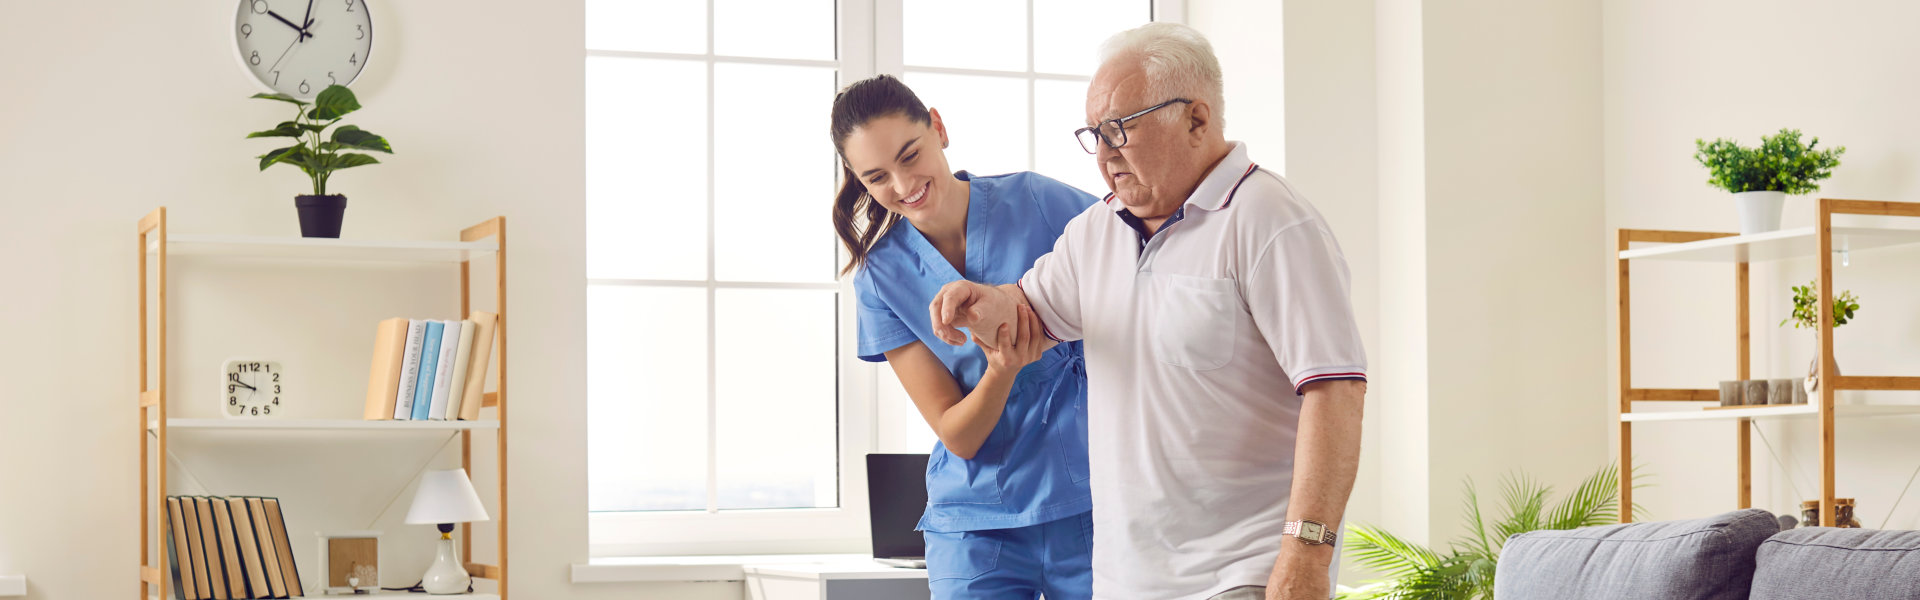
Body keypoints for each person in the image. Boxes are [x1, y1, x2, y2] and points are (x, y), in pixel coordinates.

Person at [925, 23, 1369, 600]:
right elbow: (1027, 320)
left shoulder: (1271, 222)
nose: (1105, 155)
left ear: (1196, 119)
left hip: (1242, 576)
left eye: (1120, 130)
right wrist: (983, 304)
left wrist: (1307, 555)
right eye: (1094, 134)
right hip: (1123, 581)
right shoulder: (1095, 232)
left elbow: (1336, 392)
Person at [831, 74, 1099, 599]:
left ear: (938, 127)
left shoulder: (1041, 202)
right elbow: (959, 433)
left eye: (911, 155)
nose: (904, 186)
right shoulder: (880, 279)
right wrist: (1003, 368)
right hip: (976, 524)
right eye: (877, 176)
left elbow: (1140, 260)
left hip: (1091, 503)